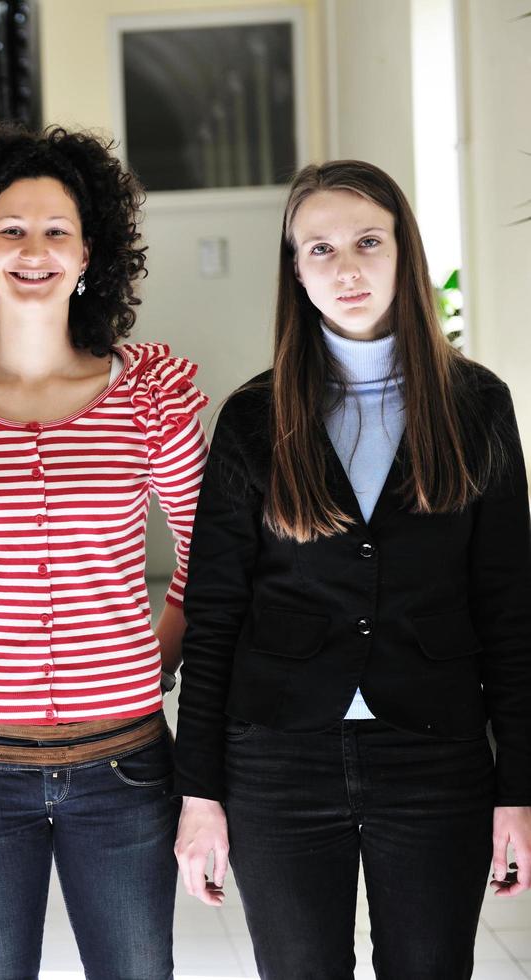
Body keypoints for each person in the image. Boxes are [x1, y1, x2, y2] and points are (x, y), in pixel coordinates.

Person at [173, 159, 531, 979]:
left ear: (404, 251)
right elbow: (215, 613)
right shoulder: (254, 419)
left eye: (368, 241)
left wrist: (519, 790)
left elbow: (510, 608)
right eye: (320, 248)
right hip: (277, 760)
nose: (347, 267)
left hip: (436, 754)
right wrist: (200, 797)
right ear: (294, 272)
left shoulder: (478, 405)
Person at [0, 122, 207, 979]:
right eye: (10, 229)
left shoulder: (147, 393)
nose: (34, 249)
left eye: (57, 230)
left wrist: (151, 658)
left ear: (90, 254)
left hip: (124, 767)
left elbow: (213, 555)